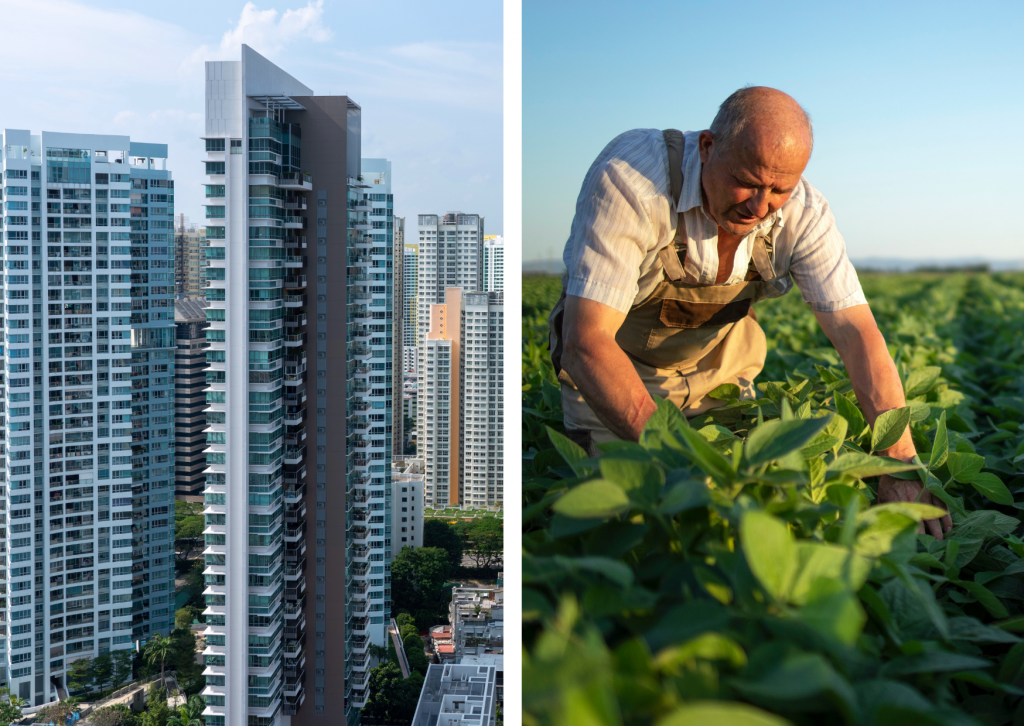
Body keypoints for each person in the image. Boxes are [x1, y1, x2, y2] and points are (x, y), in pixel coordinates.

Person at [548, 86, 952, 539]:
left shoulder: (805, 213)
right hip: (616, 375)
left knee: (754, 517)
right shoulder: (633, 180)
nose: (760, 207)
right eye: (748, 181)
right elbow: (586, 344)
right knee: (632, 525)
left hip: (720, 370)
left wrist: (897, 465)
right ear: (707, 147)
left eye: (779, 189)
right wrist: (686, 465)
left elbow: (857, 334)